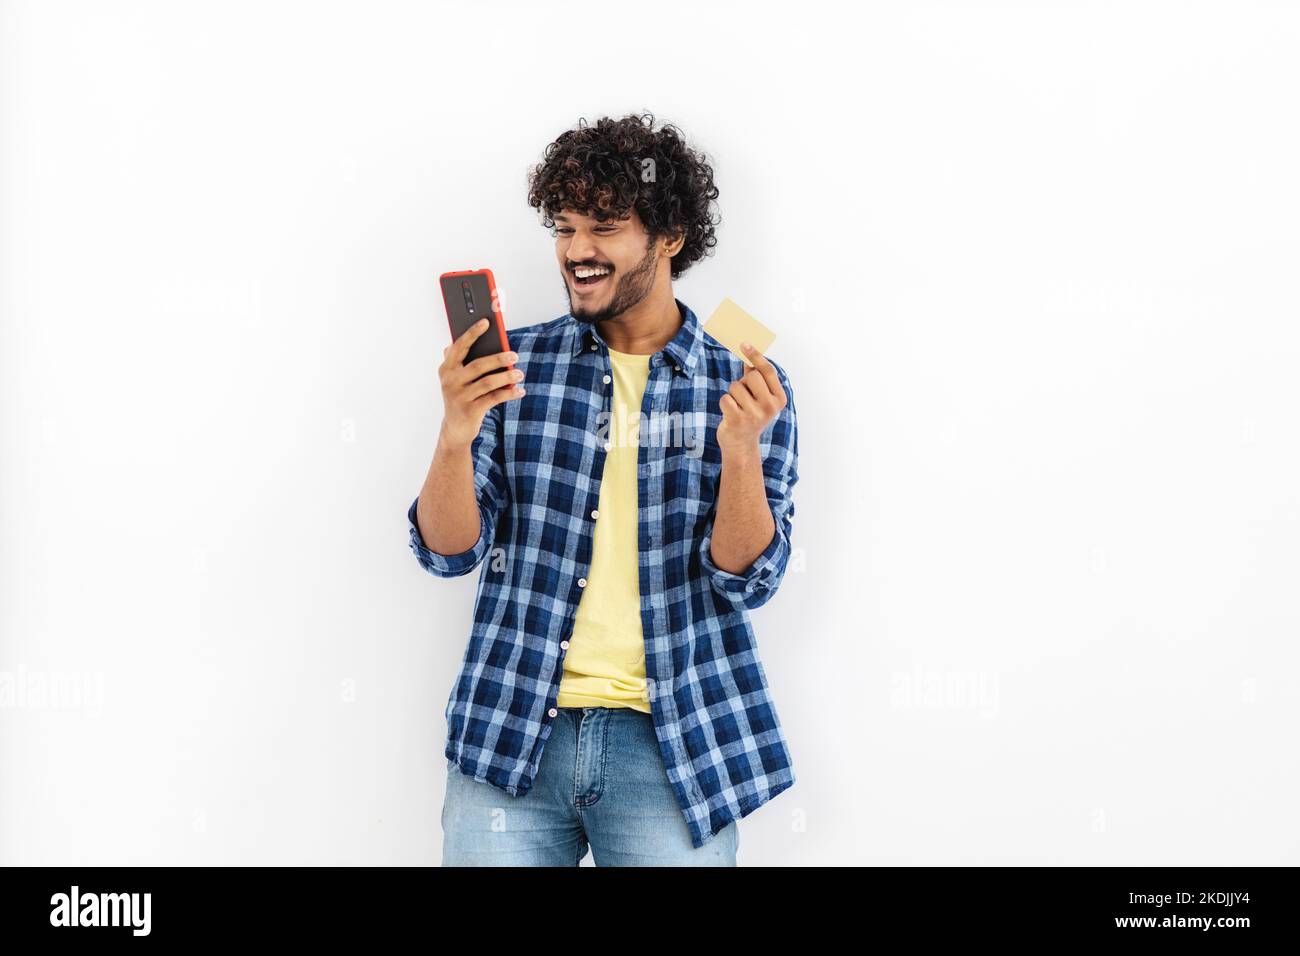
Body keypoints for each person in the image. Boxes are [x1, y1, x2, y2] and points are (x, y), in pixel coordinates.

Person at [408, 113, 800, 866]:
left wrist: (742, 452)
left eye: (606, 226)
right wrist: (456, 431)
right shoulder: (513, 366)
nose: (577, 250)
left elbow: (748, 578)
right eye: (565, 226)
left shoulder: (745, 384)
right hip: (513, 734)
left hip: (676, 748)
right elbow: (448, 554)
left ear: (671, 235)